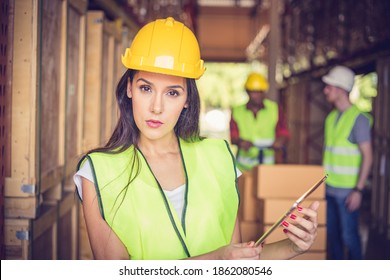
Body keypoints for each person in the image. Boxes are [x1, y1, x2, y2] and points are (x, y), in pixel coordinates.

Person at [74, 17, 319, 260]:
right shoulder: (97, 173)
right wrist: (217, 259)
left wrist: (292, 247)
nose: (156, 107)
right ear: (129, 88)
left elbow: (237, 263)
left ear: (187, 100)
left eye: (172, 93)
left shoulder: (218, 158)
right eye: (146, 88)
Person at [321, 65, 373, 260]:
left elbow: (368, 156)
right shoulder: (331, 117)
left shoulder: (358, 119)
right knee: (332, 237)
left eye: (329, 87)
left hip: (348, 192)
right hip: (329, 188)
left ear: (341, 89)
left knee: (349, 237)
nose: (325, 90)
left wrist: (358, 190)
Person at [230, 72, 290, 171]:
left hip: (267, 168)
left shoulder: (274, 109)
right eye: (253, 92)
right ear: (247, 92)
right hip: (244, 168)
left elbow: (283, 131)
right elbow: (233, 136)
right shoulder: (237, 111)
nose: (257, 95)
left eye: (260, 92)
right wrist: (241, 142)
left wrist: (280, 141)